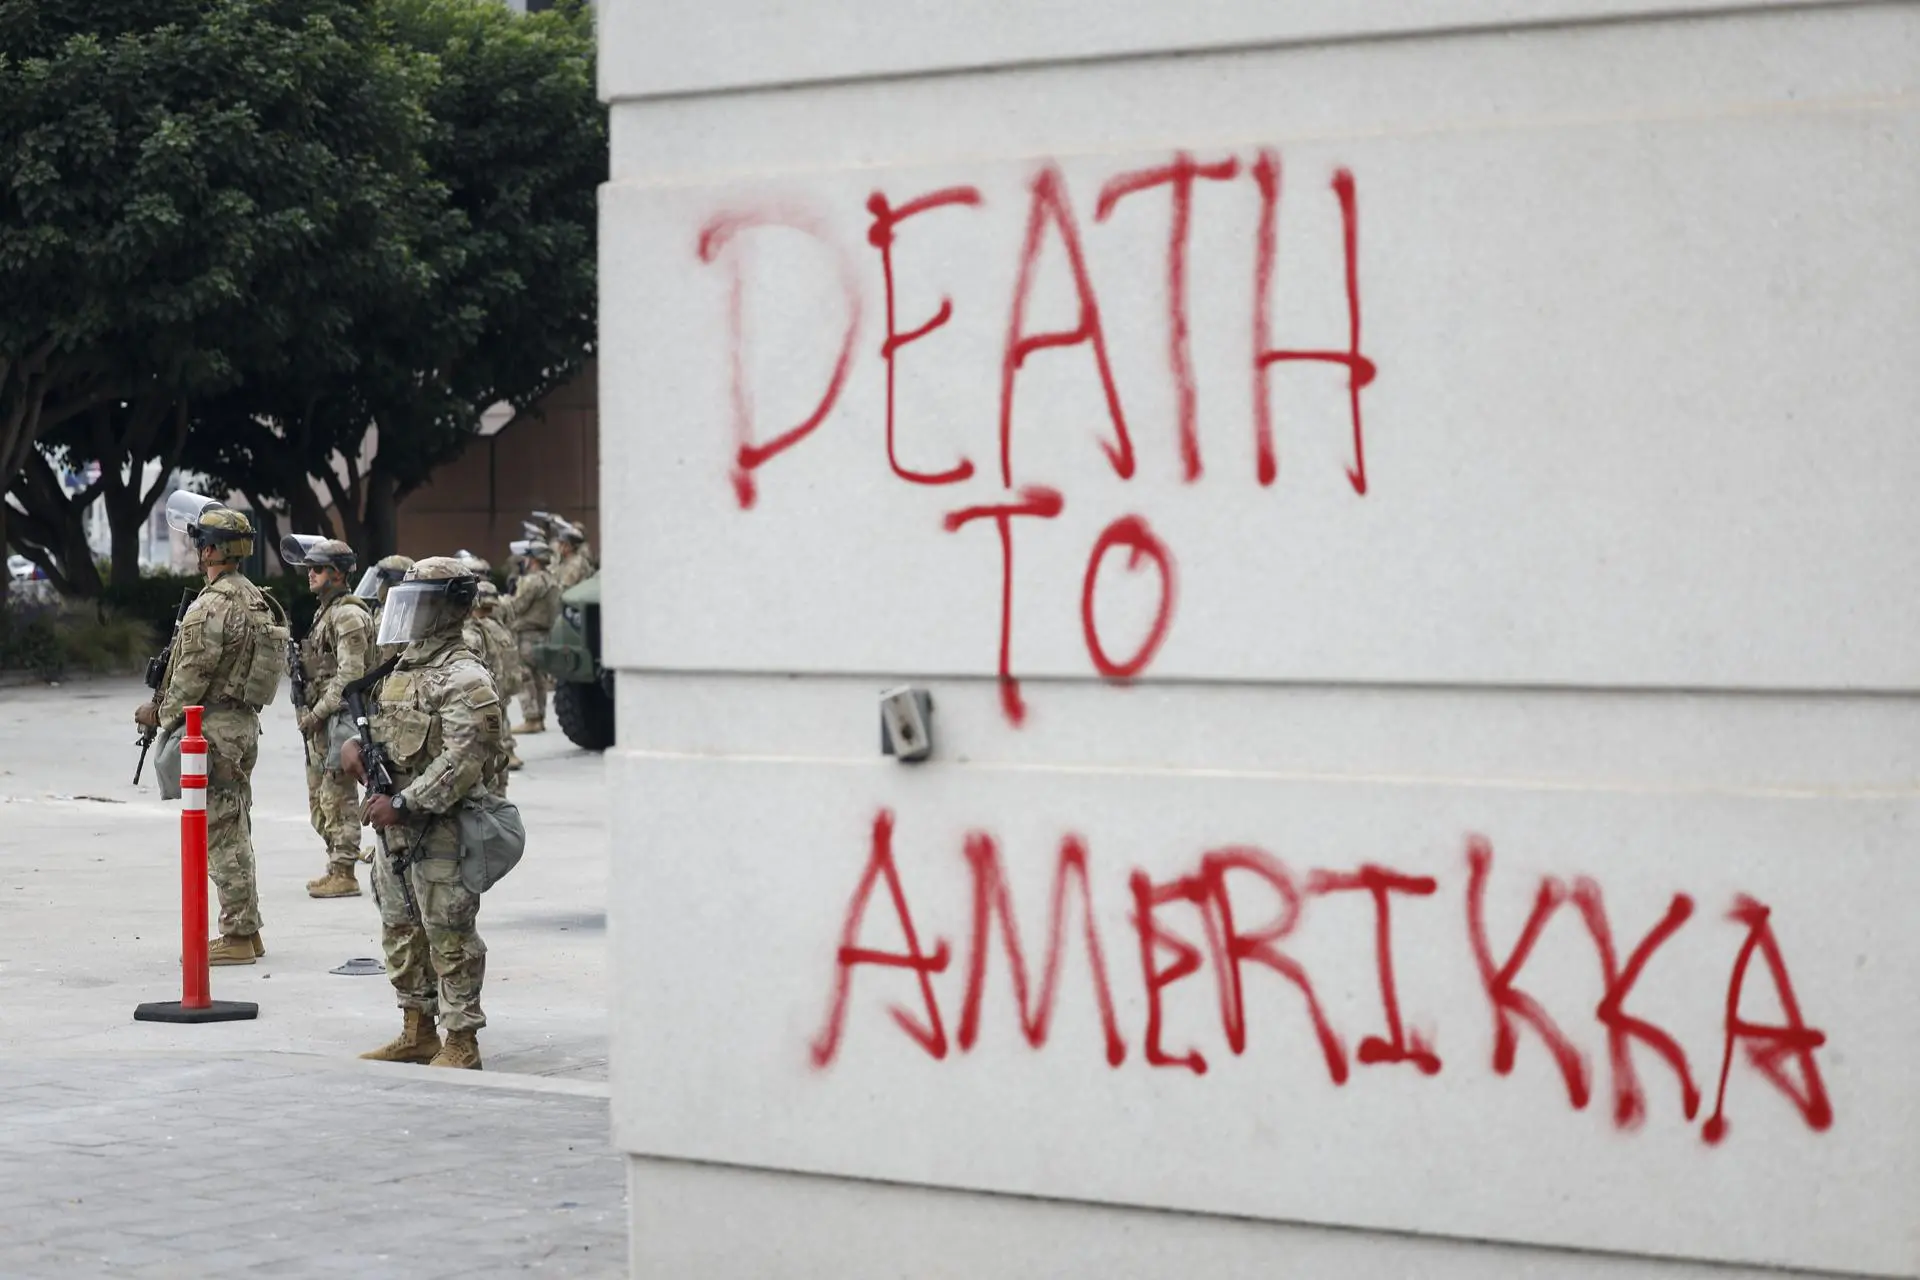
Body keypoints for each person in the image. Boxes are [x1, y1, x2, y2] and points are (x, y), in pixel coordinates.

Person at [343, 557, 507, 1069]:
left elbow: (463, 760)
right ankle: (417, 1029)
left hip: (440, 828)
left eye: (421, 604)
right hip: (394, 827)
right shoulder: (403, 668)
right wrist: (354, 746)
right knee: (400, 928)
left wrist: (405, 804)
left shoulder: (464, 676)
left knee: (450, 934)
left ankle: (462, 1040)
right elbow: (389, 731)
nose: (409, 614)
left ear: (448, 609)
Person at [133, 493, 286, 965]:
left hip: (213, 729)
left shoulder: (210, 606)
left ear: (211, 551)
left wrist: (156, 714)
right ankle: (249, 928)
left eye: (201, 542)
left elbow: (191, 676)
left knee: (219, 833)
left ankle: (237, 934)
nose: (197, 550)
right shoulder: (257, 600)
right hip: (242, 724)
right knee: (236, 824)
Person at [283, 535, 374, 898]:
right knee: (321, 802)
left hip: (339, 720)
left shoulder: (349, 615)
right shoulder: (328, 612)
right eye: (309, 568)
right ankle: (336, 862)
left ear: (337, 574)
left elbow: (350, 676)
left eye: (318, 569)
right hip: (320, 722)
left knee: (339, 798)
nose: (310, 574)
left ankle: (345, 871)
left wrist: (317, 714)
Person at [500, 538, 560, 734]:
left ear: (532, 560)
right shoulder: (551, 579)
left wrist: (500, 602)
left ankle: (531, 718)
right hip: (544, 634)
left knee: (525, 677)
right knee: (538, 677)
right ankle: (539, 716)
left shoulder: (532, 581)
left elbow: (517, 606)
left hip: (526, 635)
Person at [465, 578, 522, 776]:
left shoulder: (475, 630)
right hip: (502, 682)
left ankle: (505, 755)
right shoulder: (497, 626)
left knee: (494, 729)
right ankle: (506, 755)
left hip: (491, 686)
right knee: (501, 721)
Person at [552, 519, 597, 589]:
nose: (558, 546)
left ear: (569, 547)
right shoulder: (565, 560)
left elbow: (563, 587)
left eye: (562, 544)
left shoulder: (575, 564)